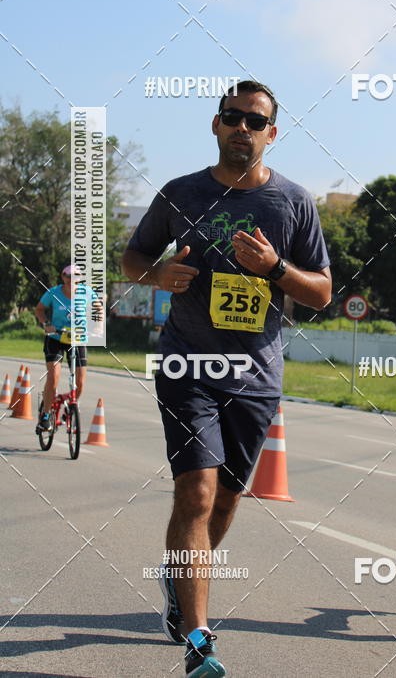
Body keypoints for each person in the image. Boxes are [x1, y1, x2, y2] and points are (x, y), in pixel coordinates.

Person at [122, 80, 331, 677]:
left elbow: (321, 292)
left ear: (272, 133)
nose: (243, 128)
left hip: (255, 375)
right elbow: (133, 259)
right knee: (196, 491)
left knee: (226, 500)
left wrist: (276, 268)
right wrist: (157, 275)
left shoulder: (293, 203)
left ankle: (179, 581)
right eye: (232, 117)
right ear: (216, 125)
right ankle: (198, 638)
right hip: (188, 365)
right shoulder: (180, 193)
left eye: (255, 121)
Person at [34, 264, 103, 430]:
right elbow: (39, 309)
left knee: (80, 382)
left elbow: (98, 309)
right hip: (56, 338)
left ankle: (70, 408)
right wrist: (47, 324)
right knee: (53, 377)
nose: (72, 279)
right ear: (63, 277)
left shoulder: (87, 292)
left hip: (78, 339)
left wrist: (98, 327)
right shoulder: (54, 292)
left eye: (76, 276)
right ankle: (45, 415)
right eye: (69, 276)